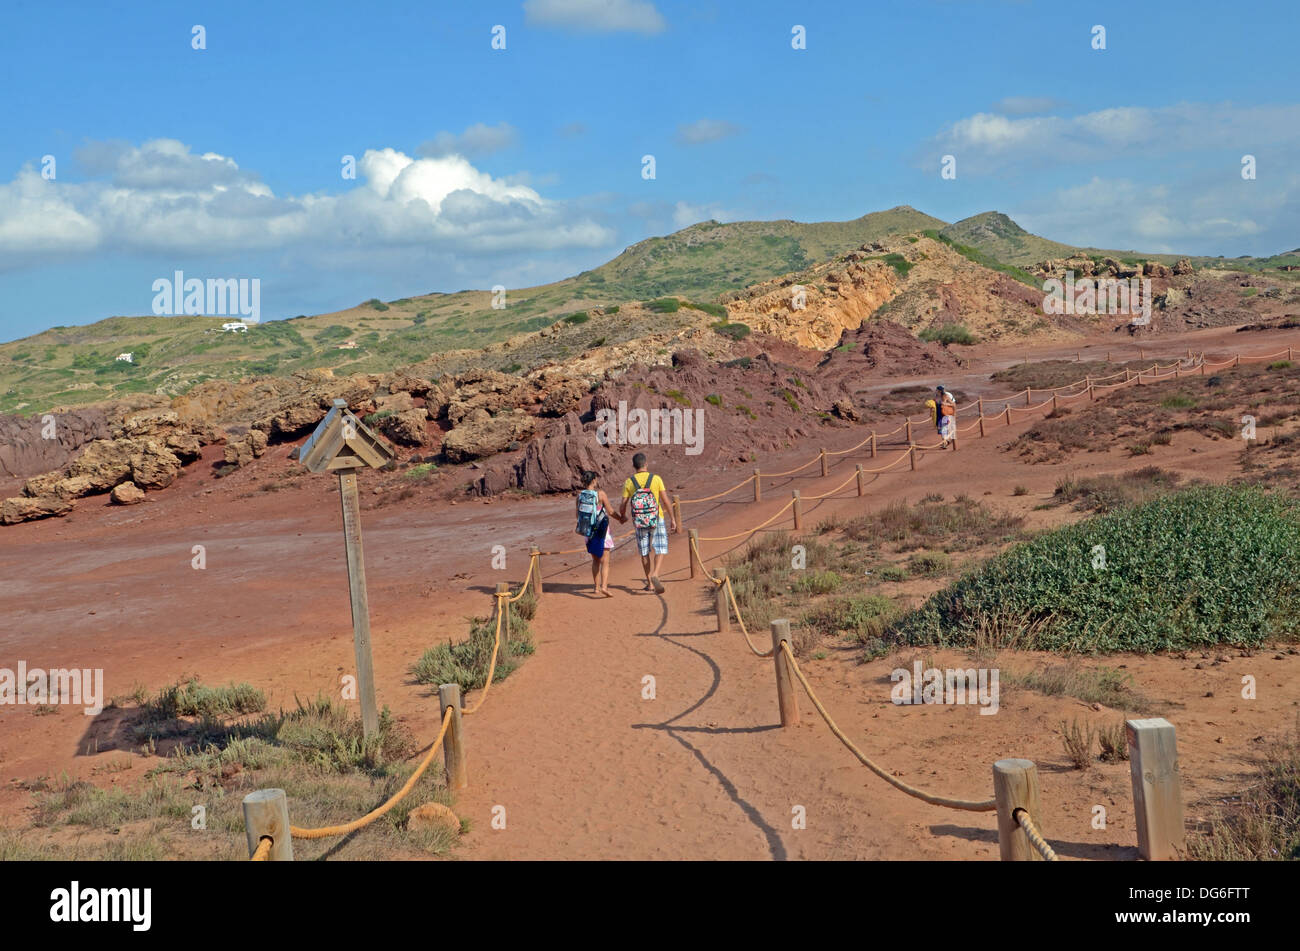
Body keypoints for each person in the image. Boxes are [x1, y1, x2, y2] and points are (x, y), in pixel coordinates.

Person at [619, 452, 677, 593]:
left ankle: (650, 583)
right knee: (660, 548)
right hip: (657, 518)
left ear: (634, 466)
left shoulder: (629, 482)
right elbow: (665, 500)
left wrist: (622, 516)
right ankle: (656, 573)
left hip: (639, 521)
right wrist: (673, 519)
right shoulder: (656, 479)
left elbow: (623, 504)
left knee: (644, 552)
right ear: (646, 464)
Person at [575, 470, 623, 597]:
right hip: (602, 531)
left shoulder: (579, 496)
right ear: (594, 480)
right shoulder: (600, 494)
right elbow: (611, 511)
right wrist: (621, 519)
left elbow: (577, 515)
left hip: (588, 532)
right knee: (605, 561)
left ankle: (596, 588)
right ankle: (604, 587)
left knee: (595, 560)